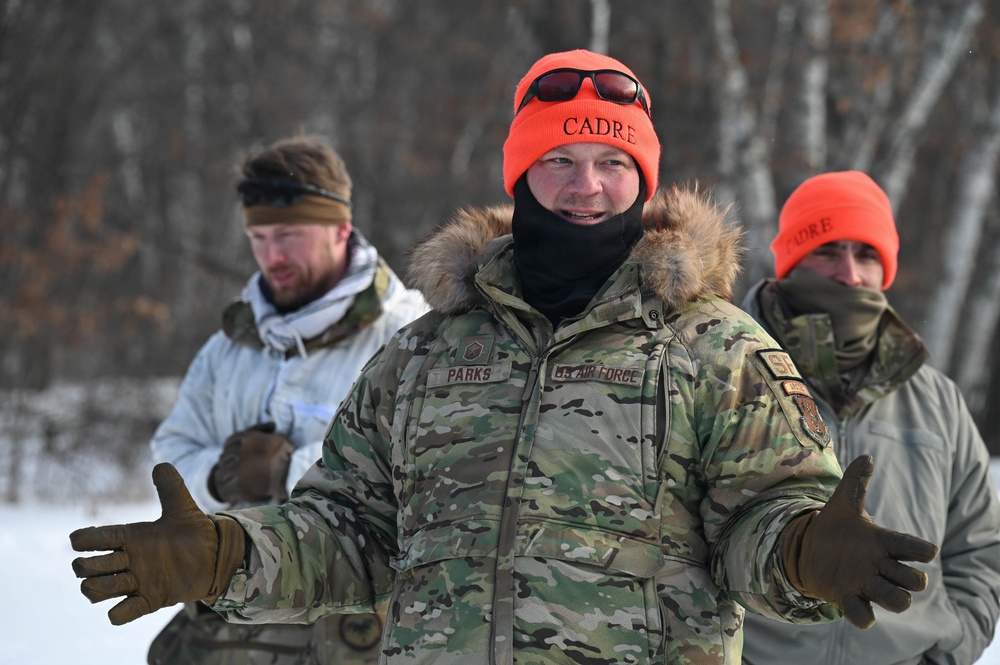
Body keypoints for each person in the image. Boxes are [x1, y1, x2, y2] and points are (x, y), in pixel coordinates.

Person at [71, 51, 938, 665]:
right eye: (559, 159)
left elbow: (763, 515)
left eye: (610, 161)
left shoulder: (716, 349)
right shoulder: (423, 355)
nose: (586, 185)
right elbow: (348, 531)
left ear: (643, 176)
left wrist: (800, 550)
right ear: (522, 173)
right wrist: (228, 554)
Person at [143, 136, 430, 665]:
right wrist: (218, 477)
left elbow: (420, 481)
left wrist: (286, 473)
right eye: (259, 236)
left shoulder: (409, 335)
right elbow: (170, 450)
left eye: (290, 235)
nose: (272, 256)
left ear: (341, 228)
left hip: (353, 639)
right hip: (229, 634)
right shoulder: (228, 346)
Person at [739, 170, 1000, 665]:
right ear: (791, 260)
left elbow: (981, 548)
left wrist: (952, 649)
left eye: (866, 254)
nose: (850, 275)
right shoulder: (728, 372)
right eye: (827, 250)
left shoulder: (938, 400)